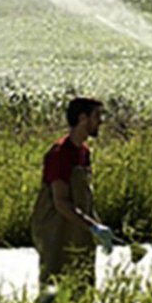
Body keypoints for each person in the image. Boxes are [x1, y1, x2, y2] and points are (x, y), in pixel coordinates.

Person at [30, 97, 115, 287]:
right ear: (82, 118)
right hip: (56, 230)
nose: (101, 121)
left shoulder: (84, 152)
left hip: (79, 229)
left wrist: (99, 228)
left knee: (83, 284)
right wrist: (93, 227)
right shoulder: (60, 154)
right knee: (56, 285)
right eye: (97, 116)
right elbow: (61, 202)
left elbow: (84, 197)